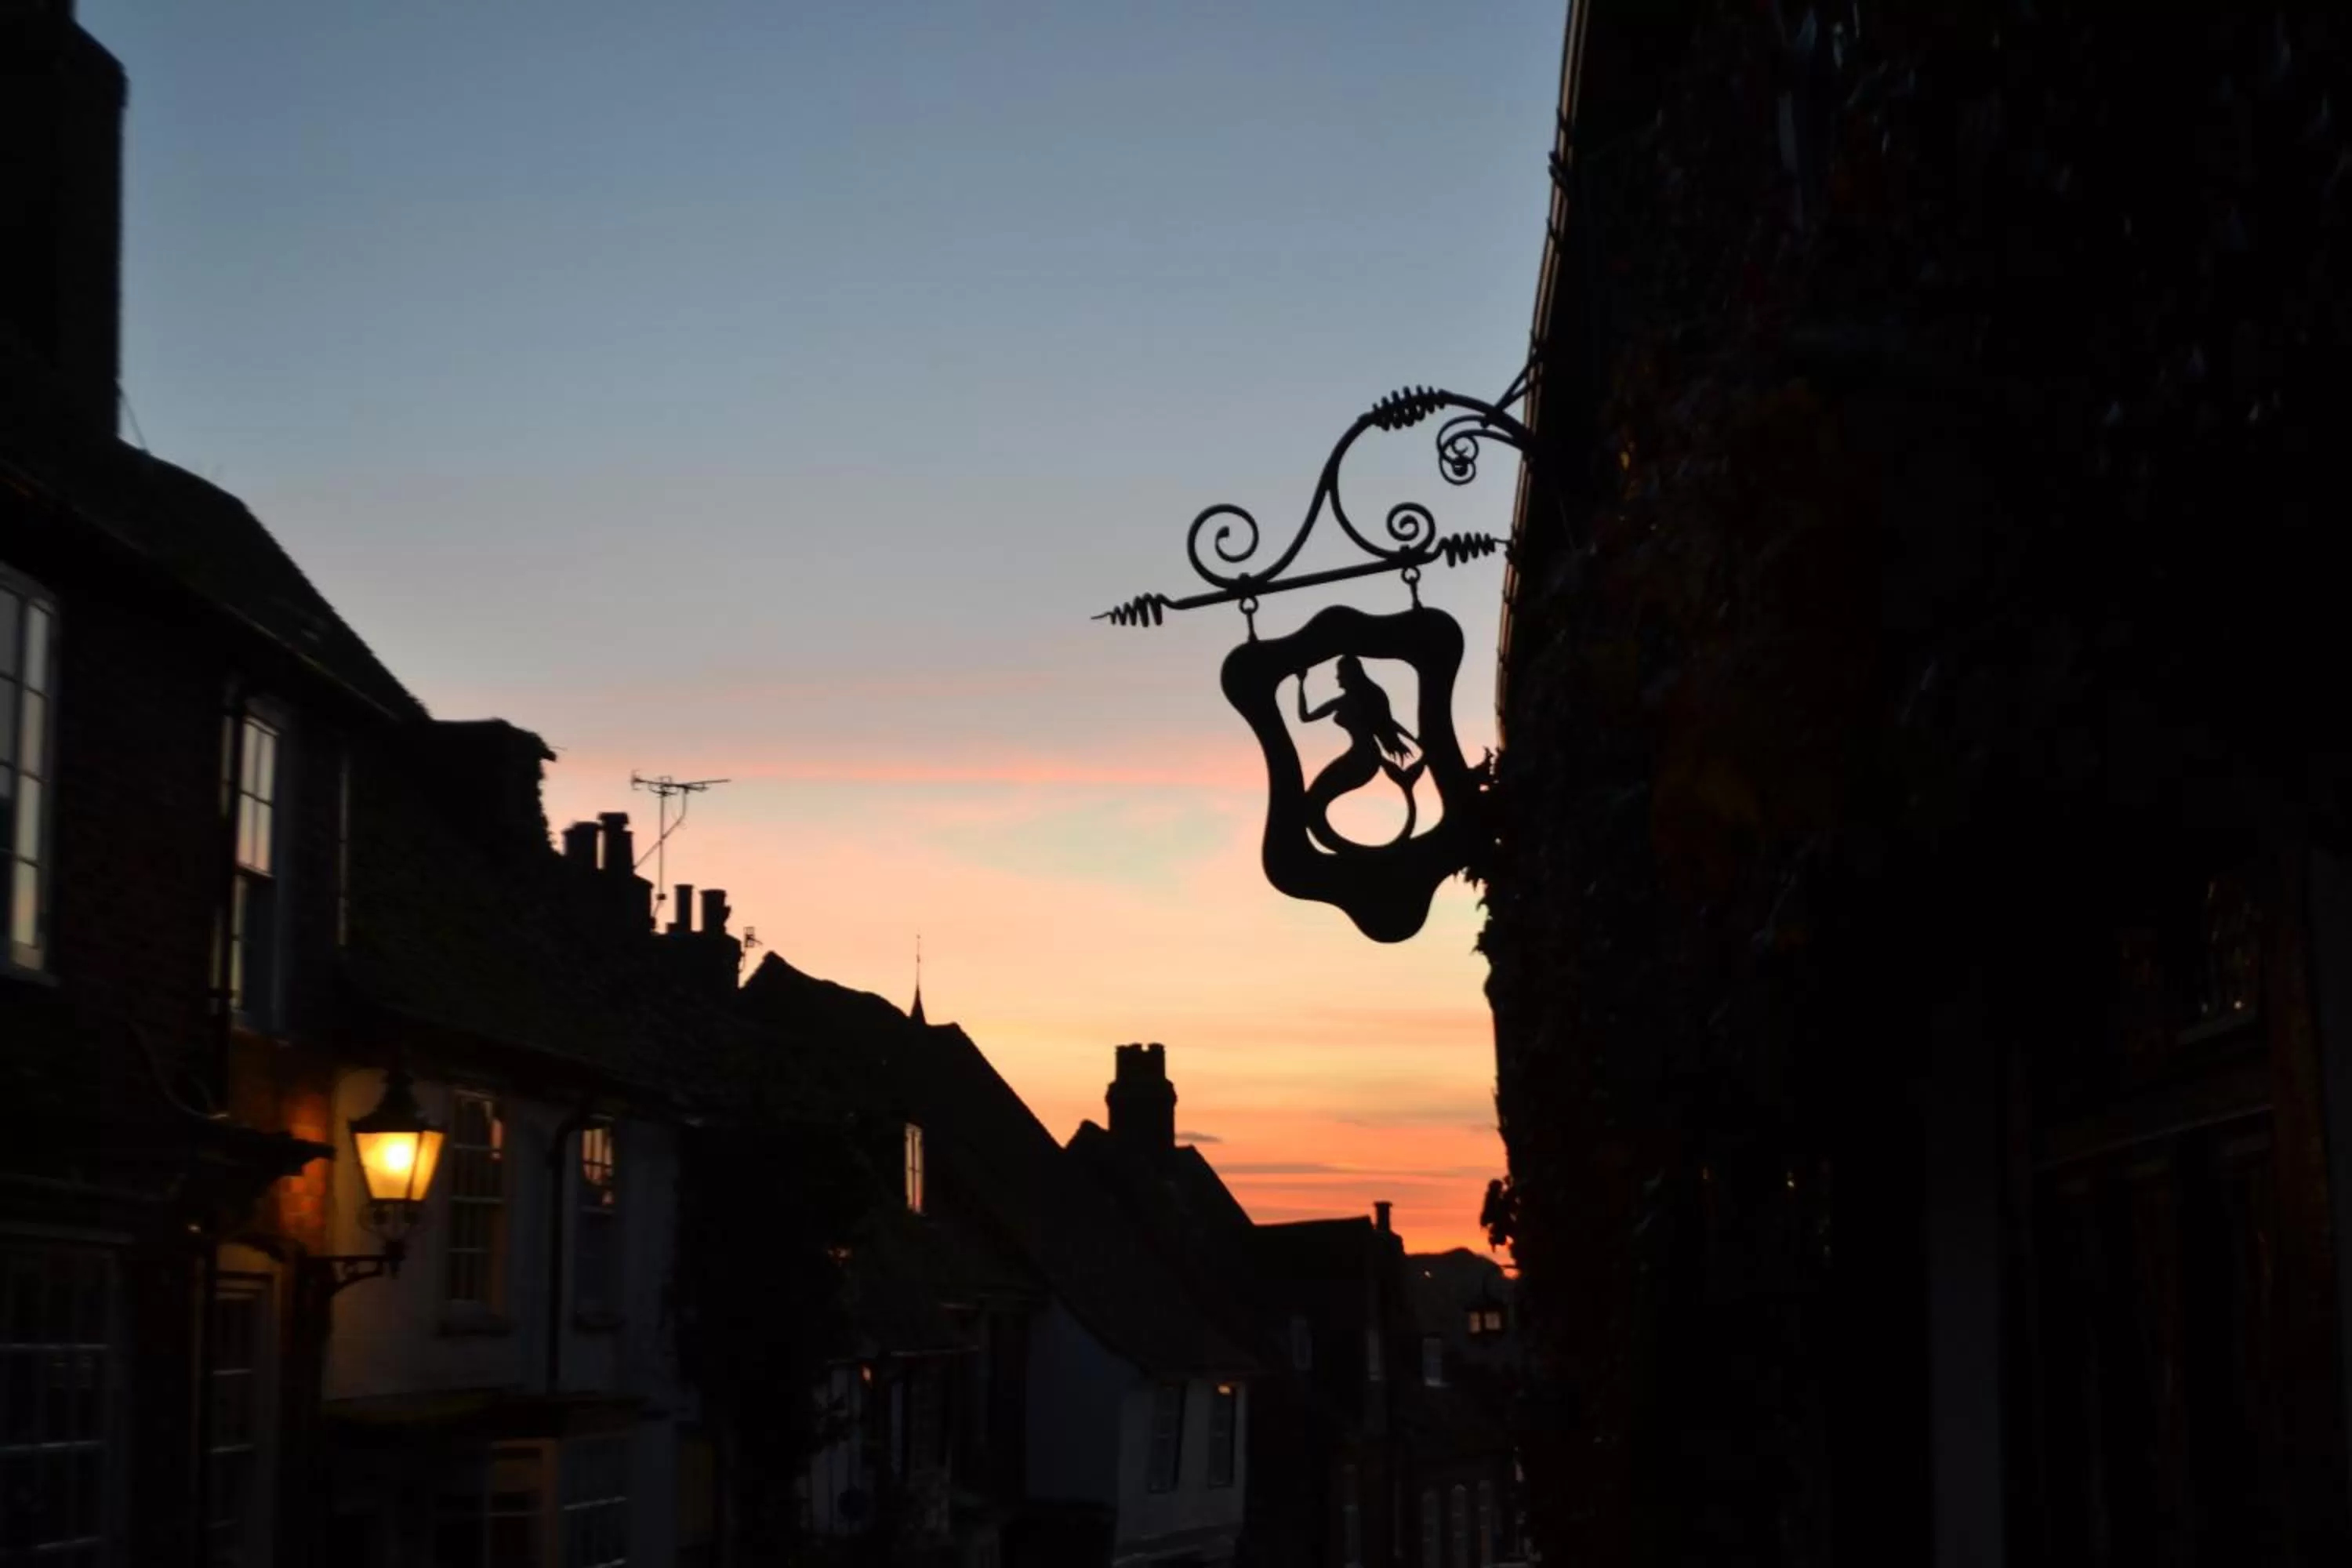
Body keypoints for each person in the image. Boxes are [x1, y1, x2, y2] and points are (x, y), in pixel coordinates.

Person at [1295, 655, 1425, 850]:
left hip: (1364, 759)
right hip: (1362, 756)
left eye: (1340, 673)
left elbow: (1387, 723)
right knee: (1312, 804)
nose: (1337, 678)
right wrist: (1301, 683)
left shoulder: (1361, 701)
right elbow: (1305, 717)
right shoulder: (1342, 702)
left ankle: (1344, 847)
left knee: (1313, 804)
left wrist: (1415, 740)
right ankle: (1346, 848)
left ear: (1350, 675)